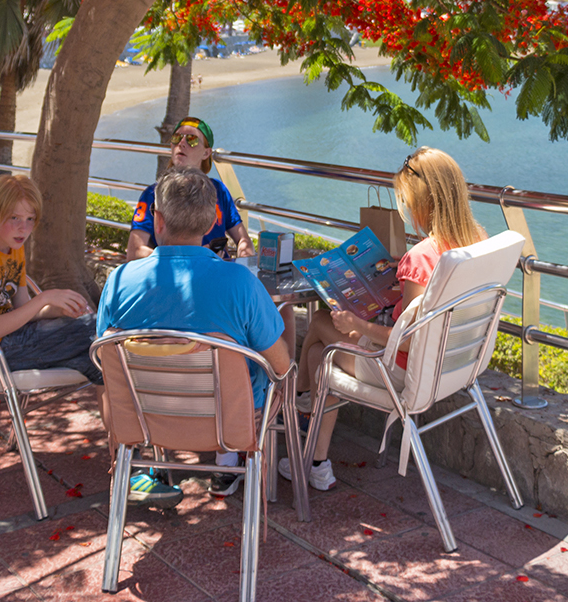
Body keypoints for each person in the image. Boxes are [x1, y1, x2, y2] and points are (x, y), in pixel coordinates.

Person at [282, 146, 487, 491]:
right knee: (321, 359)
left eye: (407, 201)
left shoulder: (421, 256)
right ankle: (315, 462)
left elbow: (408, 339)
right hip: (456, 366)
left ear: (423, 201)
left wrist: (357, 326)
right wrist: (401, 279)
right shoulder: (476, 242)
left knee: (320, 325)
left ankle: (301, 403)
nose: (406, 209)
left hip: (402, 371)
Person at [99, 167, 291, 503]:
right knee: (280, 370)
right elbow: (280, 365)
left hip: (145, 420)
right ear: (208, 224)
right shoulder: (240, 283)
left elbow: (106, 358)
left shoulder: (118, 281)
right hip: (230, 424)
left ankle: (141, 470)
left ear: (157, 221)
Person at [0, 174, 102, 388]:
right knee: (99, 328)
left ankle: (130, 417)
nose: (24, 228)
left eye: (30, 219)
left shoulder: (13, 248)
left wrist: (58, 309)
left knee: (101, 361)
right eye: (14, 218)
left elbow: (23, 310)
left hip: (16, 340)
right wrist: (45, 297)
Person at [127, 117, 254, 260]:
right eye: (176, 138)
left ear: (206, 153)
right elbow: (134, 253)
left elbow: (243, 240)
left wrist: (245, 261)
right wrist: (197, 256)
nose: (181, 143)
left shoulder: (218, 190)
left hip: (218, 271)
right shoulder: (152, 194)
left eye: (192, 140)